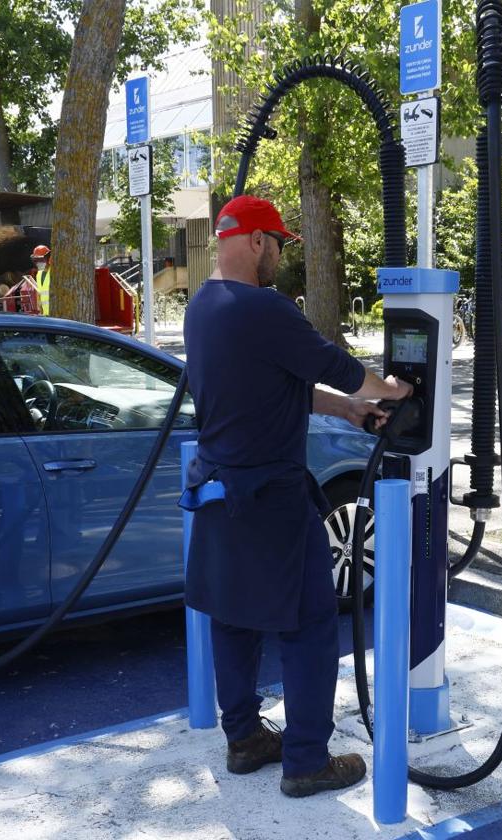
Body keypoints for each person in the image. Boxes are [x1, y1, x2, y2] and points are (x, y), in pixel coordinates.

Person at [182, 195, 413, 799]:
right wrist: (389, 388)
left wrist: (350, 411)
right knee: (310, 621)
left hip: (218, 488)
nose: (280, 255)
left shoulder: (203, 307)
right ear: (256, 241)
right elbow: (336, 365)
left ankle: (244, 740)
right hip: (271, 495)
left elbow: (278, 386)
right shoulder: (265, 308)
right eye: (279, 243)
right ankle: (307, 760)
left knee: (232, 615)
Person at [30, 245, 51, 316]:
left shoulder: (55, 272)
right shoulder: (39, 274)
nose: (38, 263)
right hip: (45, 315)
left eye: (40, 260)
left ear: (48, 258)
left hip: (56, 315)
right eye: (36, 260)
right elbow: (40, 295)